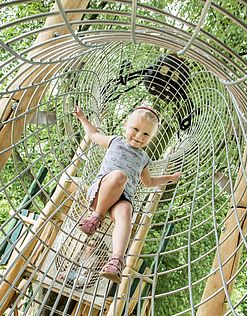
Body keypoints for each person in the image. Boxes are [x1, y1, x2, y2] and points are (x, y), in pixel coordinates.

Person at [73, 105, 181, 284]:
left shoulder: (144, 159)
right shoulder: (114, 141)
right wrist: (83, 118)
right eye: (136, 129)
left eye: (146, 134)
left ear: (151, 137)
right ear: (126, 125)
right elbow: (93, 134)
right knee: (120, 176)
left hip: (122, 199)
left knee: (126, 212)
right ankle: (96, 217)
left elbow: (149, 182)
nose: (139, 137)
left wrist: (169, 178)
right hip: (102, 192)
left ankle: (116, 261)